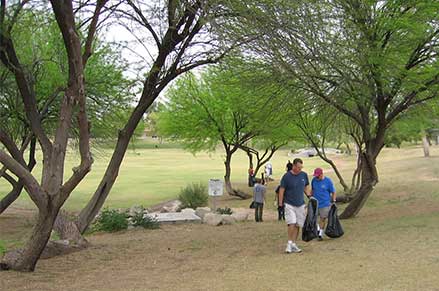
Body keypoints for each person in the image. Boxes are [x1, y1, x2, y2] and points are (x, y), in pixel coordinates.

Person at [278, 158, 311, 253]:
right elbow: (281, 190)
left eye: (301, 167)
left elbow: (305, 187)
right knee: (291, 222)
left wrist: (309, 196)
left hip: (300, 204)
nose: (300, 169)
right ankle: (289, 243)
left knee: (298, 224)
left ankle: (293, 244)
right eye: (298, 167)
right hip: (289, 204)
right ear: (294, 166)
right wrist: (280, 204)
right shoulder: (286, 177)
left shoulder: (304, 175)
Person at [311, 168, 336, 240]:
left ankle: (320, 234)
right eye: (315, 176)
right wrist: (311, 198)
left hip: (325, 203)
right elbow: (312, 190)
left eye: (318, 176)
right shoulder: (314, 180)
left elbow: (333, 192)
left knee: (322, 218)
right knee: (313, 218)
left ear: (322, 174)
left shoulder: (328, 181)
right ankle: (318, 229)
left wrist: (333, 201)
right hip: (315, 203)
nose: (316, 177)